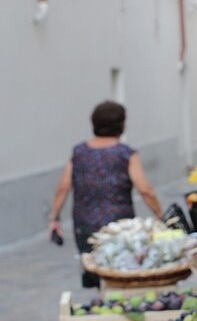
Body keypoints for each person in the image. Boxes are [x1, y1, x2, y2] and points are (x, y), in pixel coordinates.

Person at [47, 100, 163, 287]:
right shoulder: (126, 153)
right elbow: (145, 190)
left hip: (85, 225)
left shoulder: (79, 152)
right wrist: (161, 215)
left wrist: (55, 219)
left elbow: (63, 187)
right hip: (119, 227)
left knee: (94, 271)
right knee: (119, 274)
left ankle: (101, 303)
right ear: (121, 125)